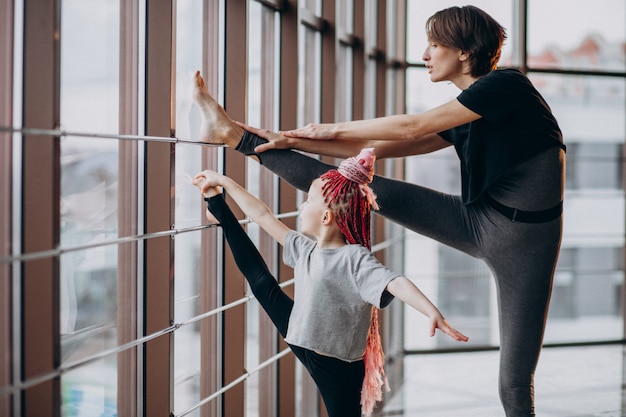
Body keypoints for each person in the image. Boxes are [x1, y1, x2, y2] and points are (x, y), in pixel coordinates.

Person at [192, 5, 565, 416]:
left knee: (513, 379)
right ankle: (232, 135)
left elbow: (411, 129)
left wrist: (325, 130)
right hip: (475, 220)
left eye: (434, 45)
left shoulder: (507, 86)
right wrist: (288, 140)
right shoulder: (466, 111)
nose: (425, 54)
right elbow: (374, 151)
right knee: (343, 185)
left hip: (525, 242)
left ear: (463, 52)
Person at [192, 148, 468, 417]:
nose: (302, 205)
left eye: (308, 201)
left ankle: (220, 212)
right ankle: (218, 208)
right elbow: (262, 215)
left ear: (326, 217)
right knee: (261, 283)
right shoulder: (307, 249)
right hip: (300, 333)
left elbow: (395, 282)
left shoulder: (355, 260)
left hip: (335, 363)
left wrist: (431, 311)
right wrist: (225, 181)